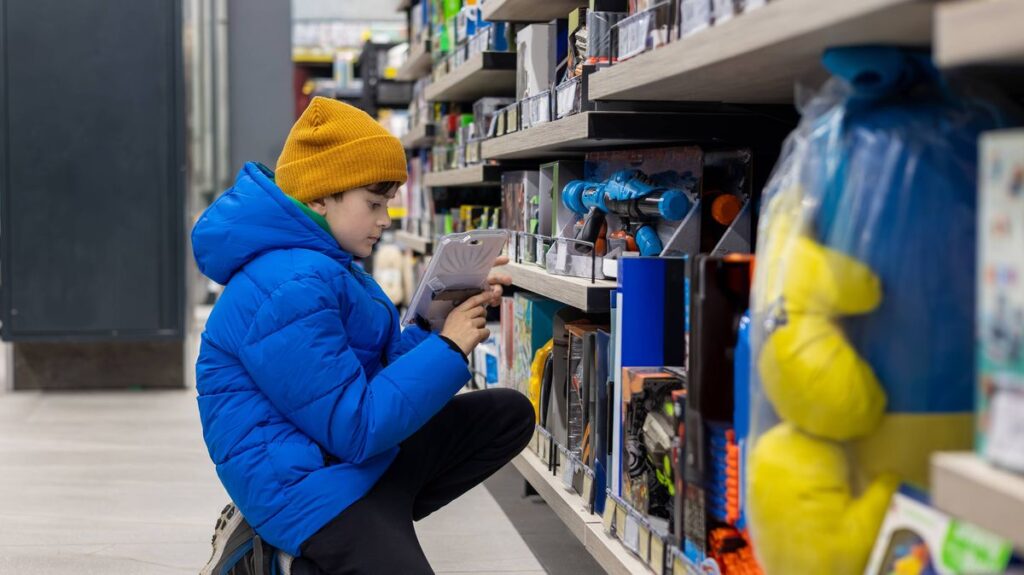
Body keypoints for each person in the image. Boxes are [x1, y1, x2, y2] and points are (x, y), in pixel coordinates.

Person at [191, 97, 535, 574]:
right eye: (373, 203)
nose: (385, 219)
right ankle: (275, 554)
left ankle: (377, 519)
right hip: (304, 488)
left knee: (508, 416)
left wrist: (440, 318)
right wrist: (449, 347)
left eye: (387, 203)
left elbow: (374, 374)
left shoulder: (327, 263)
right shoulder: (286, 287)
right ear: (319, 198)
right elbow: (356, 426)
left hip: (347, 456)